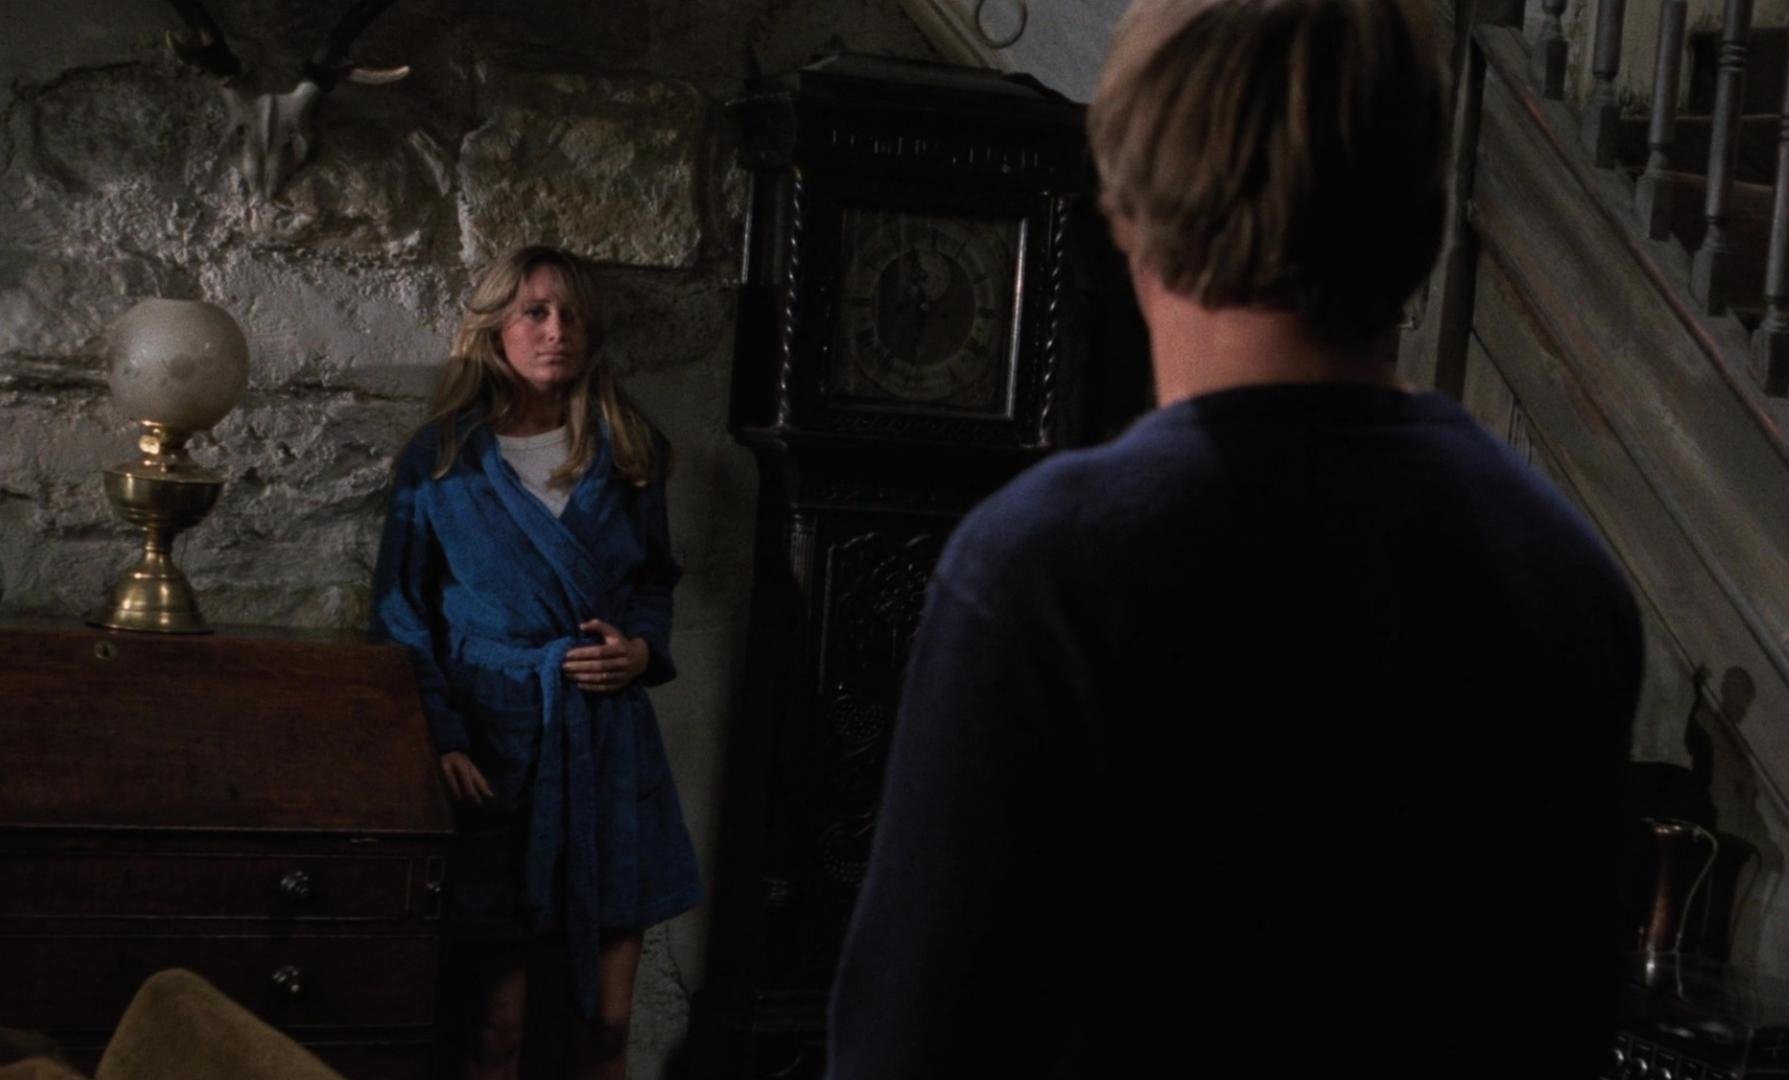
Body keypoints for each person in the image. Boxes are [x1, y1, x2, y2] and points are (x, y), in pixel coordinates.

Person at [825, 2, 1644, 1077]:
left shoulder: (1047, 570)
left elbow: (911, 1048)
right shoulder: (1566, 574)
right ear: (1426, 209)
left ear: (1130, 203)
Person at [371, 246, 703, 1079]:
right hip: (495, 749)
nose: (558, 331)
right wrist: (442, 737)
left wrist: (640, 650)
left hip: (607, 745)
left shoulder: (630, 449)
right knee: (497, 1029)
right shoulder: (442, 459)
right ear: (494, 329)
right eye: (536, 312)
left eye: (573, 315)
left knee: (607, 1024)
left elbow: (654, 583)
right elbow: (402, 614)